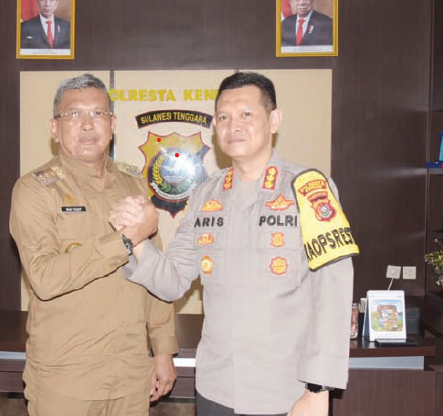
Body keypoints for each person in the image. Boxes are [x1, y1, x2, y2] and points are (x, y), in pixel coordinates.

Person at [111, 72, 358, 416]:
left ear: (274, 120)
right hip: (216, 387)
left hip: (286, 391)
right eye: (224, 117)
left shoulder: (308, 188)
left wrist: (319, 389)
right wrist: (136, 240)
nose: (233, 125)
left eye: (246, 114)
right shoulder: (203, 195)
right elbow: (172, 282)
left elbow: (333, 292)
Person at [9, 73, 178, 416]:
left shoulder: (134, 187)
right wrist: (126, 239)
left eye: (98, 114)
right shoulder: (34, 191)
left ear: (112, 124)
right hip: (67, 378)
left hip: (131, 374)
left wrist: (162, 350)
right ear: (54, 127)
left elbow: (154, 276)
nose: (87, 125)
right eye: (74, 114)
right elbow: (46, 277)